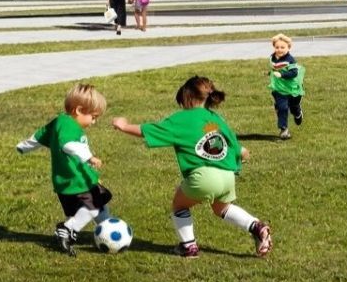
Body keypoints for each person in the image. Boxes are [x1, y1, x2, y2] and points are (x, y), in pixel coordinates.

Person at [111, 76, 271, 259]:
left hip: (203, 176)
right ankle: (257, 227)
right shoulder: (215, 118)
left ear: (186, 97)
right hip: (227, 176)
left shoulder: (182, 119)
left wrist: (123, 126)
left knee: (179, 205)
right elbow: (234, 144)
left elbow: (150, 130)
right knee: (222, 208)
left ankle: (188, 247)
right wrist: (242, 152)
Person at [16, 83, 115, 257]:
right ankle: (67, 229)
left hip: (77, 178)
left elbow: (40, 135)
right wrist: (89, 157)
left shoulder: (59, 121)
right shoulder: (68, 126)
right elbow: (70, 145)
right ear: (79, 110)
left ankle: (107, 231)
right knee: (92, 207)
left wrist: (24, 146)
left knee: (100, 205)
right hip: (75, 180)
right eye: (93, 116)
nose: (94, 122)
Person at [268, 34, 305, 139]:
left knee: (293, 106)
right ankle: (284, 129)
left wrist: (282, 75)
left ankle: (297, 113)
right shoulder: (273, 58)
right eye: (277, 47)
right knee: (282, 107)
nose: (279, 50)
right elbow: (274, 68)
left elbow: (294, 73)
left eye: (282, 47)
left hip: (292, 89)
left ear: (288, 48)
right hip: (279, 89)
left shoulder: (290, 60)